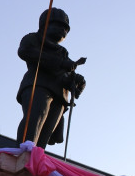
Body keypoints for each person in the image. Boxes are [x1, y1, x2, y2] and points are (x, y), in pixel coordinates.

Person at [16, 8, 86, 148]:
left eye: (66, 29)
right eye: (59, 26)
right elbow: (25, 52)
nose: (63, 31)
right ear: (45, 24)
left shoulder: (63, 52)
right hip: (39, 85)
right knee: (35, 121)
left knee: (46, 132)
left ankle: (37, 159)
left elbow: (64, 75)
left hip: (59, 95)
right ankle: (23, 153)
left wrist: (76, 82)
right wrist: (61, 63)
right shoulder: (33, 39)